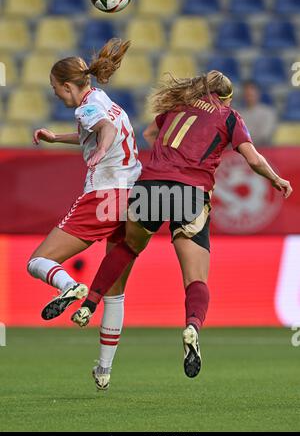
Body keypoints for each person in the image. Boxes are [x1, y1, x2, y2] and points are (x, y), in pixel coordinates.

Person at [52, 70, 292, 379]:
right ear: (225, 97)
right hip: (190, 192)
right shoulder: (229, 116)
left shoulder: (175, 108)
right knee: (196, 278)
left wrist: (167, 158)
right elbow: (254, 159)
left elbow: (150, 135)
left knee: (127, 247)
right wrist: (276, 178)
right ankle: (192, 326)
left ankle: (90, 303)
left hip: (151, 186)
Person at [27, 38, 141, 391]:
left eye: (55, 89)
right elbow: (97, 127)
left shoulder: (85, 109)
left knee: (38, 261)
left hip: (103, 196)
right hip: (135, 200)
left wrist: (101, 151)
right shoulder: (106, 103)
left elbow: (101, 132)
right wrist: (56, 137)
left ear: (66, 85)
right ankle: (104, 371)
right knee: (115, 291)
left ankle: (69, 285)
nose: (56, 95)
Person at [239, 80, 277, 146]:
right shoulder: (238, 114)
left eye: (251, 94)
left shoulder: (268, 113)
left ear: (258, 94)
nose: (249, 96)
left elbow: (265, 135)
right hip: (242, 152)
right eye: (247, 94)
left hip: (264, 150)